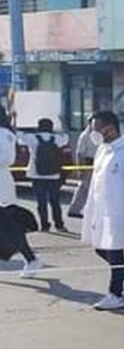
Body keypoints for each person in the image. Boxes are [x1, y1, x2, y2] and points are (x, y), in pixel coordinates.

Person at [81, 110, 124, 311]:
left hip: (120, 212)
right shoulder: (103, 150)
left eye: (97, 128)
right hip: (102, 211)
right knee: (101, 248)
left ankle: (115, 294)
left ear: (110, 127)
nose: (94, 133)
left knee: (114, 253)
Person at [0, 107, 42, 277]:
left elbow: (7, 159)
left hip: (2, 187)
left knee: (12, 227)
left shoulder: (4, 133)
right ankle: (31, 259)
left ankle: (31, 259)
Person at [19, 118, 69, 233]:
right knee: (55, 201)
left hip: (36, 174)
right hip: (54, 174)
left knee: (41, 202)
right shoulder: (57, 139)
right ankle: (59, 224)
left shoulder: (32, 138)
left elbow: (19, 138)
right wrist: (63, 125)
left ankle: (45, 225)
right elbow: (66, 138)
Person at [68, 123, 100, 219]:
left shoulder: (98, 135)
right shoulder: (85, 135)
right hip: (88, 164)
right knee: (87, 189)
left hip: (97, 163)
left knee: (85, 189)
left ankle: (75, 210)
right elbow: (79, 153)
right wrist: (80, 168)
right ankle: (75, 210)